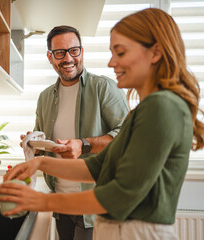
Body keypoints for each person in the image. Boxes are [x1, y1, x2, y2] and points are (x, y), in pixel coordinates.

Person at [0, 8, 204, 240]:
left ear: (154, 53)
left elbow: (122, 194)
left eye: (120, 52)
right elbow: (97, 166)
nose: (111, 62)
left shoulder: (162, 107)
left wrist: (43, 201)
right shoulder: (144, 110)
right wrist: (39, 163)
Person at [21, 25, 128, 239]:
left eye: (74, 50)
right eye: (59, 53)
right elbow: (44, 139)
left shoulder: (104, 88)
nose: (68, 58)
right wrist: (34, 145)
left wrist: (84, 144)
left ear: (82, 51)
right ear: (50, 57)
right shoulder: (44, 97)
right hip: (61, 202)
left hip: (95, 203)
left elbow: (127, 137)